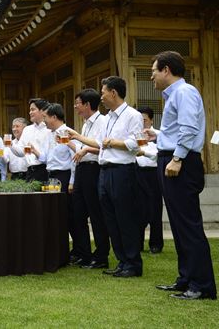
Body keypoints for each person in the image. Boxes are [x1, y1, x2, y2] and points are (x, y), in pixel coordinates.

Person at [149, 51, 216, 300]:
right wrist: (158, 136)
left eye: (154, 70)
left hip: (181, 162)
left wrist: (177, 158)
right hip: (170, 158)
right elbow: (179, 129)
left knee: (188, 225)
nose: (152, 76)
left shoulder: (184, 92)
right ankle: (186, 279)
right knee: (178, 225)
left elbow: (189, 128)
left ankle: (202, 285)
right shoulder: (175, 95)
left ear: (166, 69)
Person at [67, 76, 144, 278]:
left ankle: (133, 263)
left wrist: (114, 143)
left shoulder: (132, 115)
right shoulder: (109, 117)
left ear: (113, 92)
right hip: (105, 171)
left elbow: (137, 143)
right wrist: (77, 137)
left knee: (125, 218)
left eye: (103, 92)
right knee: (111, 219)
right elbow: (100, 143)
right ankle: (121, 261)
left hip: (123, 171)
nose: (101, 96)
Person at [72, 88, 110, 269]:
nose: (75, 107)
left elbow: (104, 146)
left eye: (78, 104)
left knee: (96, 214)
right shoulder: (86, 123)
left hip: (94, 169)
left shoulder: (103, 121)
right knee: (78, 213)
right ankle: (84, 253)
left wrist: (86, 148)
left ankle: (101, 255)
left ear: (87, 104)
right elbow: (81, 148)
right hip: (81, 169)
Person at [43, 103, 84, 265]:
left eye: (46, 117)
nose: (44, 121)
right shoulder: (50, 135)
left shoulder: (67, 133)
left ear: (54, 117)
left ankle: (80, 250)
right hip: (52, 176)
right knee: (59, 215)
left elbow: (75, 157)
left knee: (71, 215)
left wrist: (72, 181)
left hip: (65, 176)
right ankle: (66, 249)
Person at [135, 106, 163, 254]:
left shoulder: (158, 136)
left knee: (155, 209)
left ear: (151, 120)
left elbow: (158, 154)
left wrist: (143, 152)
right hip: (138, 173)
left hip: (154, 175)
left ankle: (156, 244)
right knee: (138, 210)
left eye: (144, 120)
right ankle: (138, 243)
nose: (142, 123)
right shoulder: (136, 135)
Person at [11, 98, 52, 182]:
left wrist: (36, 152)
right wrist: (10, 145)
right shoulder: (27, 129)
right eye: (30, 110)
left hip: (45, 170)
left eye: (33, 109)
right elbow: (21, 152)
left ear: (42, 111)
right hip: (30, 171)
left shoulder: (49, 129)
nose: (30, 112)